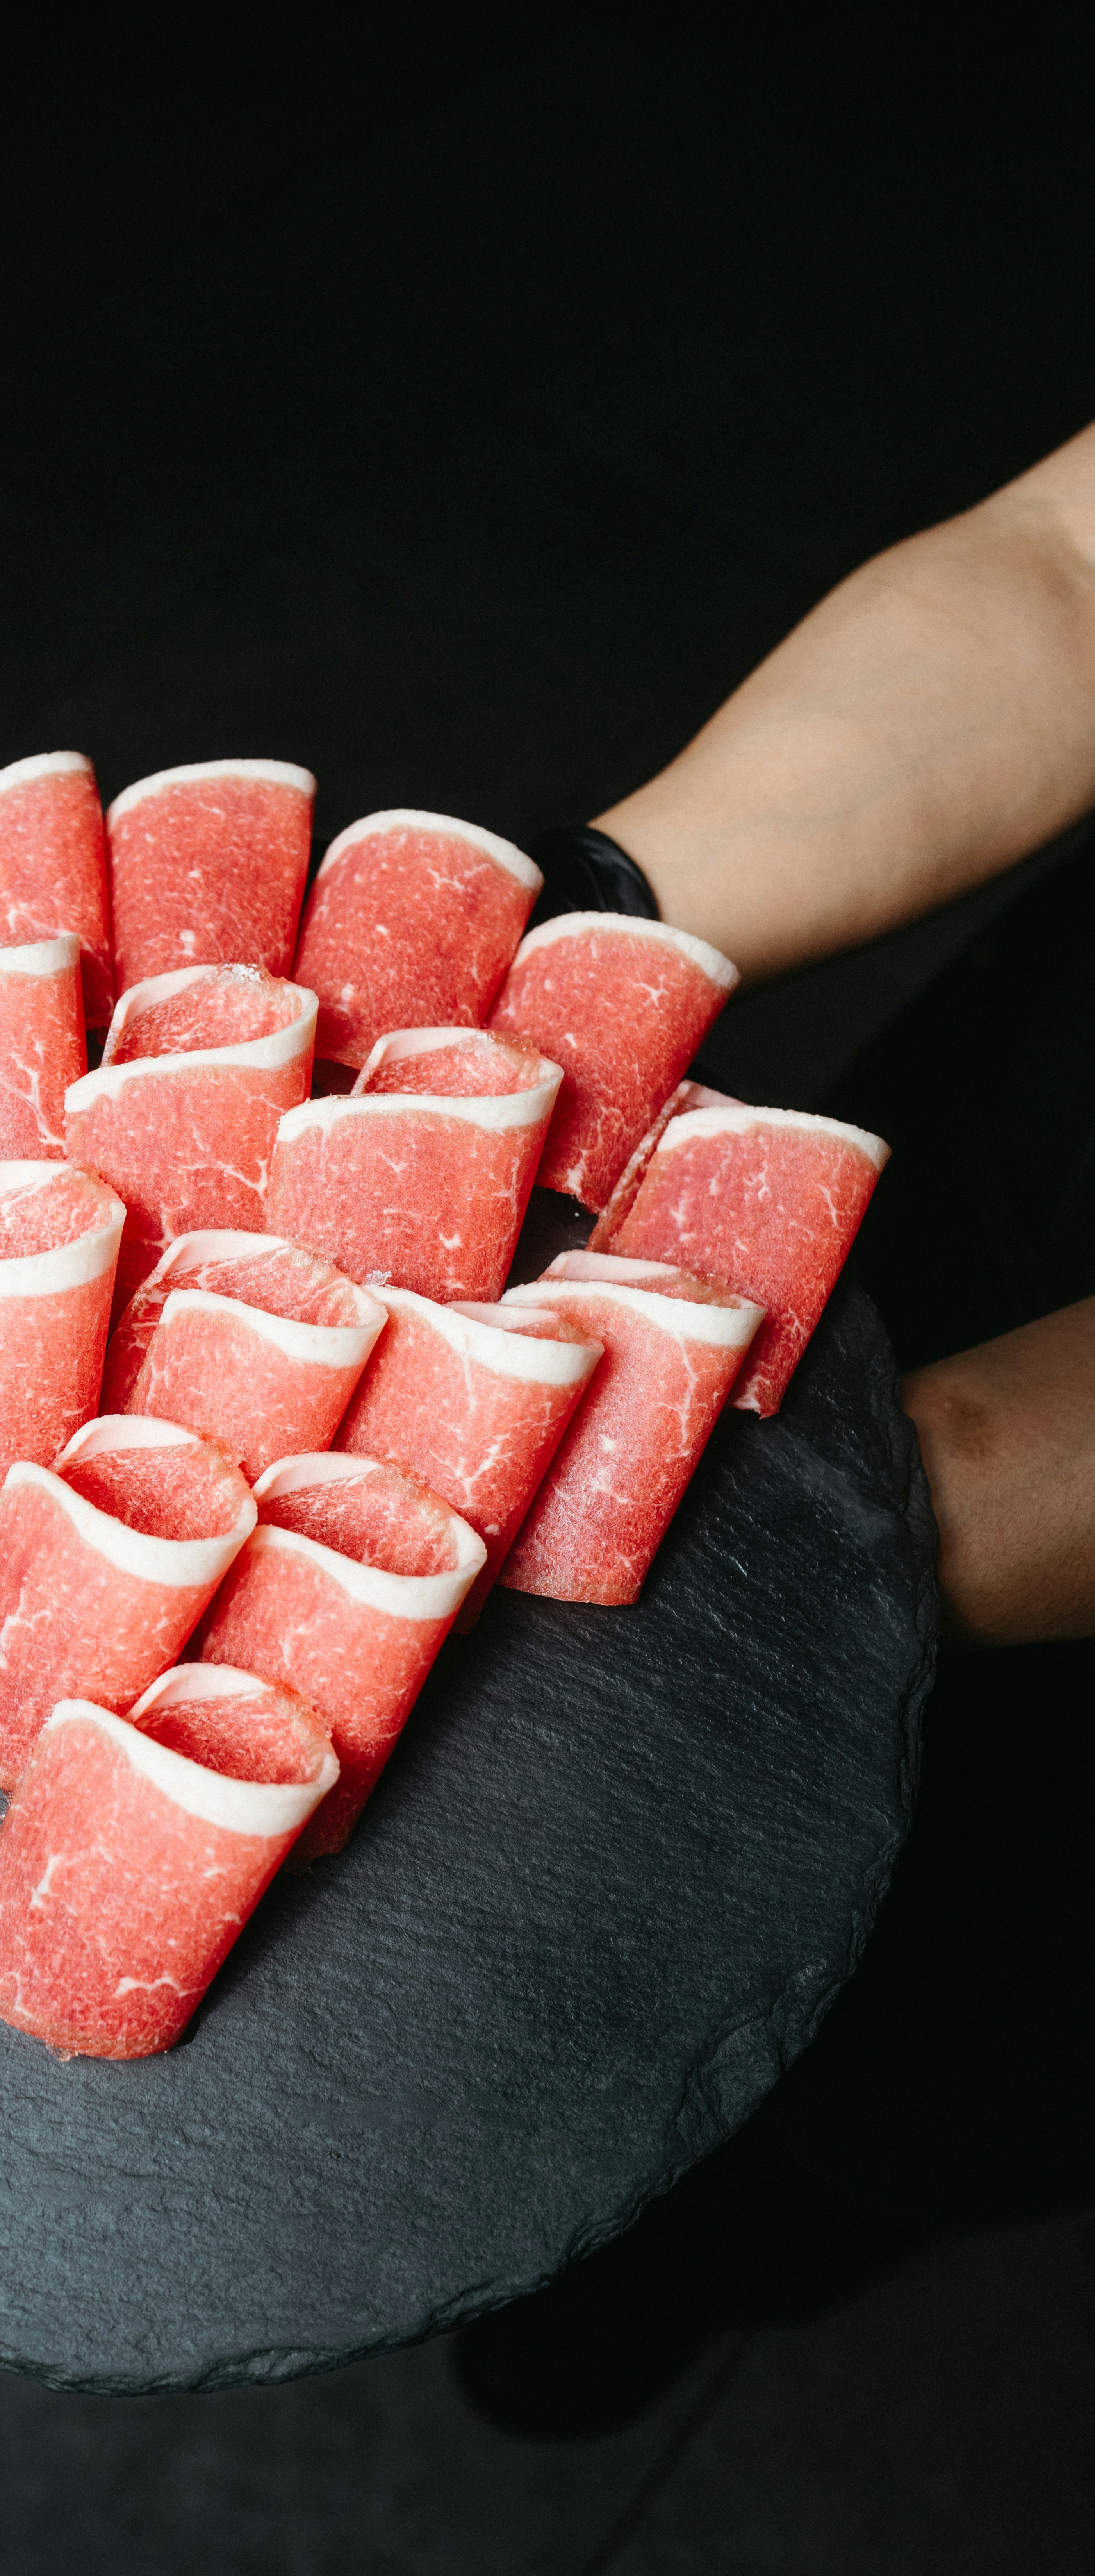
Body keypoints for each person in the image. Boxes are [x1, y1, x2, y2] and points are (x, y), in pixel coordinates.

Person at [456, 421, 1095, 2435]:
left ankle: (682, 2277)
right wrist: (586, 933)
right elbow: (1077, 563)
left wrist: (813, 1538)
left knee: (911, 2064)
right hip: (1041, 1119)